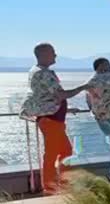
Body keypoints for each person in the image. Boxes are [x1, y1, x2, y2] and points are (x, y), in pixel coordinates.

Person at [20, 43, 87, 194]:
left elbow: (45, 97)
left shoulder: (36, 71)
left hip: (52, 118)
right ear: (43, 54)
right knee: (53, 154)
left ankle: (61, 184)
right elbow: (61, 95)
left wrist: (67, 109)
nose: (56, 55)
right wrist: (83, 87)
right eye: (53, 53)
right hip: (51, 121)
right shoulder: (43, 73)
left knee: (64, 151)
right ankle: (51, 187)